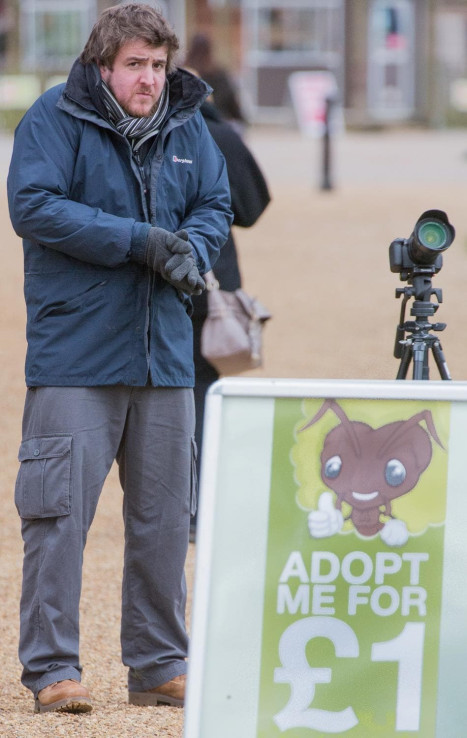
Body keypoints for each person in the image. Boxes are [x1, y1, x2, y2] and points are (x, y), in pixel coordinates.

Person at [7, 3, 232, 715]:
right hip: (76, 355)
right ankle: (52, 671)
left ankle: (160, 665)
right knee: (58, 517)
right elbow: (33, 205)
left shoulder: (188, 123)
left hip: (165, 358)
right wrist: (138, 240)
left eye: (159, 66)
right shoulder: (53, 117)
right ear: (103, 66)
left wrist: (190, 245)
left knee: (166, 521)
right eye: (135, 65)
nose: (150, 80)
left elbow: (216, 202)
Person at [189, 94, 270, 540]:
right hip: (212, 282)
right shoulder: (219, 134)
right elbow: (254, 208)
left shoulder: (136, 127)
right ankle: (201, 505)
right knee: (206, 389)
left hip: (147, 278)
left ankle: (166, 504)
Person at [184, 33, 247, 135]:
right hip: (217, 126)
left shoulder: (182, 72)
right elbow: (233, 105)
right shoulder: (219, 74)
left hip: (187, 127)